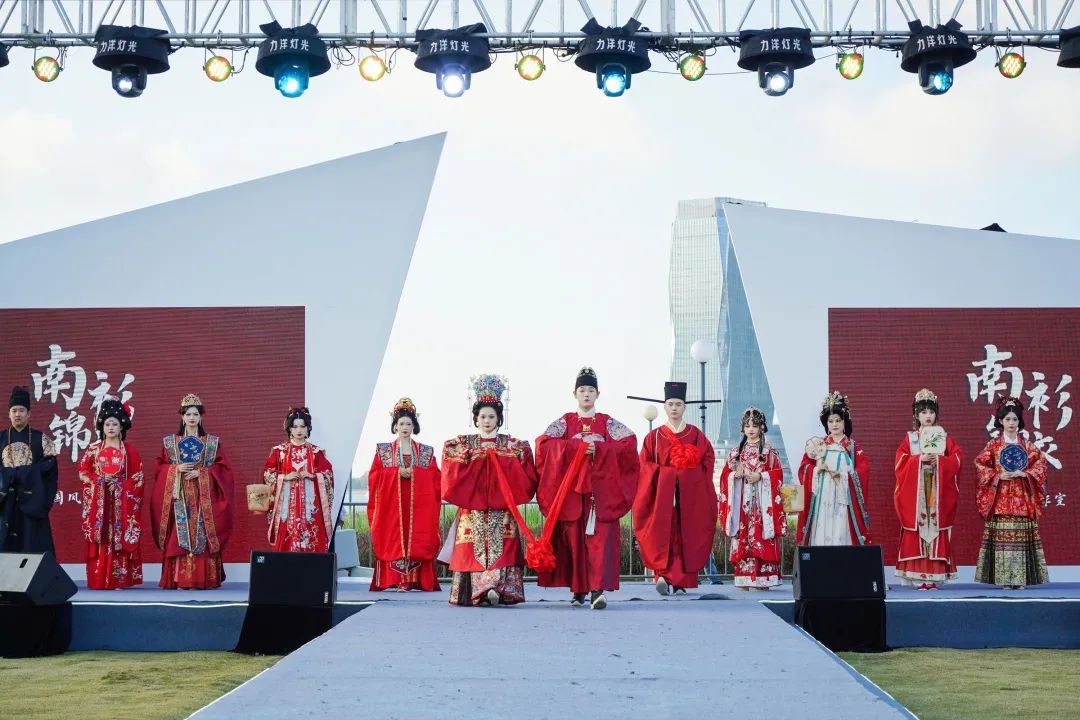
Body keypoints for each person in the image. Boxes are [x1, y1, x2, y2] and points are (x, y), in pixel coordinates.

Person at [535, 367, 638, 609]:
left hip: (599, 493)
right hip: (572, 493)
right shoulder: (565, 422)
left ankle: (596, 590)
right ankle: (578, 588)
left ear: (598, 394)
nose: (586, 394)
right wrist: (575, 447)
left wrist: (599, 450)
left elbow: (629, 444)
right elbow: (543, 444)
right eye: (582, 390)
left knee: (599, 540)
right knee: (574, 541)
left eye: (591, 390)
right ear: (574, 394)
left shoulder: (607, 423)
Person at [441, 374, 538, 607]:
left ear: (499, 418)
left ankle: (498, 589)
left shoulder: (512, 445)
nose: (486, 421)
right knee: (471, 548)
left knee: (503, 547)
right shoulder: (464, 444)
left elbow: (525, 471)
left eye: (491, 416)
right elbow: (449, 462)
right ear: (476, 418)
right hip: (472, 510)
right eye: (483, 416)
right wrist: (474, 458)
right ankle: (478, 592)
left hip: (501, 510)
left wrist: (499, 458)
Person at [634, 381, 717, 595]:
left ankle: (681, 582)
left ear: (684, 407)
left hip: (688, 497)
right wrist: (667, 476)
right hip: (662, 498)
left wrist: (688, 476)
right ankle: (663, 576)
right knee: (663, 534)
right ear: (664, 407)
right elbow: (644, 465)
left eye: (678, 404)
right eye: (670, 404)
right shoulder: (654, 437)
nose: (674, 408)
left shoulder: (696, 435)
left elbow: (707, 461)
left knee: (685, 536)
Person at [151, 393, 234, 589]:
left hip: (204, 498)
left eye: (195, 414)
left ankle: (203, 579)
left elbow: (223, 470)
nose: (191, 418)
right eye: (188, 414)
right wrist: (175, 469)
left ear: (201, 417)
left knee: (202, 533)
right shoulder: (170, 443)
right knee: (178, 535)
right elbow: (159, 470)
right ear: (182, 416)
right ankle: (179, 580)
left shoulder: (211, 443)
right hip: (178, 495)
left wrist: (202, 473)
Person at [974, 397, 1050, 588]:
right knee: (1003, 542)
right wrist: (998, 475)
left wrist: (1025, 473)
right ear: (1000, 421)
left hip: (1021, 499)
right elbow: (980, 464)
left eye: (1015, 419)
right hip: (1000, 499)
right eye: (1007, 419)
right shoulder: (993, 445)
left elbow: (1041, 465)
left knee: (1020, 541)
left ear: (1019, 421)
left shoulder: (1027, 446)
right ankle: (1004, 580)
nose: (1011, 423)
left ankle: (1020, 579)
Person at [367, 398, 442, 591]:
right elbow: (374, 476)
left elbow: (436, 478)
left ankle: (417, 579)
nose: (405, 427)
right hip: (392, 505)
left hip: (418, 504)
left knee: (417, 535)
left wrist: (416, 473)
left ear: (414, 426)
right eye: (401, 424)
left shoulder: (426, 452)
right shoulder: (383, 451)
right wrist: (396, 473)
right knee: (393, 535)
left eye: (409, 423)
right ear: (395, 426)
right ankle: (394, 579)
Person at [893, 388, 962, 589]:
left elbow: (957, 459)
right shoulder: (910, 439)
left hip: (937, 491)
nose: (928, 416)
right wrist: (918, 460)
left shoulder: (944, 437)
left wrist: (940, 461)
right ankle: (917, 576)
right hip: (917, 492)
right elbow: (900, 462)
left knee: (936, 524)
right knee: (918, 525)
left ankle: (935, 576)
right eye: (923, 412)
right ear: (916, 415)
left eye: (931, 412)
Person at [78, 399, 144, 589]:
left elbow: (138, 478)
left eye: (115, 424)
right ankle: (98, 579)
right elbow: (83, 473)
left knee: (119, 535)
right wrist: (99, 481)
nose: (111, 427)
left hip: (121, 505)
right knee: (101, 536)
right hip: (100, 504)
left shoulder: (130, 451)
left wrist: (120, 485)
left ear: (121, 426)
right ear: (102, 426)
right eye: (107, 424)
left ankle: (119, 579)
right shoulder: (93, 450)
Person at [718, 406, 786, 589]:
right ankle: (745, 577)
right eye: (747, 425)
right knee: (744, 537)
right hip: (742, 504)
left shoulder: (769, 453)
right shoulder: (735, 453)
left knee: (761, 534)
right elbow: (724, 476)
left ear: (762, 427)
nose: (751, 429)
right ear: (742, 428)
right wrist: (734, 475)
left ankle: (765, 577)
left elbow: (778, 475)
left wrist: (761, 476)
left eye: (755, 425)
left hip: (762, 505)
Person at [796, 392, 872, 546]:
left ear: (845, 422)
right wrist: (817, 469)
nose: (834, 424)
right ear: (826, 424)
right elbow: (804, 468)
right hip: (822, 496)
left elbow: (863, 470)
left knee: (841, 527)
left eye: (838, 420)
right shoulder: (818, 445)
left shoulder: (852, 447)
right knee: (822, 525)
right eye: (830, 421)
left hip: (843, 496)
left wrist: (844, 476)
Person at [261, 406, 335, 553]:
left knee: (312, 540)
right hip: (286, 508)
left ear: (308, 429)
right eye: (295, 427)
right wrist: (284, 477)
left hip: (310, 509)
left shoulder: (316, 452)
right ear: (289, 429)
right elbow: (267, 473)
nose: (299, 430)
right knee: (286, 542)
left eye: (302, 426)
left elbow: (328, 474)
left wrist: (313, 476)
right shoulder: (279, 451)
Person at [0, 386, 58, 553]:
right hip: (5, 503)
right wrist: (10, 475)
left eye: (21, 410)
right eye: (14, 411)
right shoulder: (1, 438)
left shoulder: (42, 440)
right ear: (9, 414)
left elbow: (49, 468)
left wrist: (20, 474)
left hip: (32, 502)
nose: (17, 414)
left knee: (33, 546)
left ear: (29, 414)